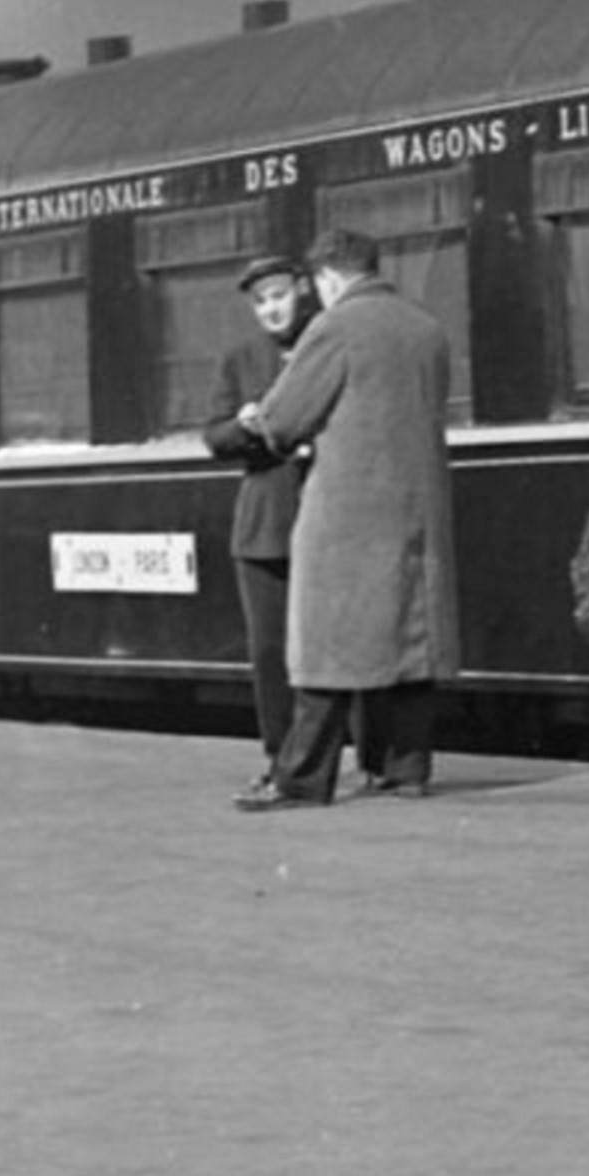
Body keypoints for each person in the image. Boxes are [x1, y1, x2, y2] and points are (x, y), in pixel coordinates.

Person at [229, 227, 461, 811]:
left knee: (325, 643)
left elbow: (283, 421)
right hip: (419, 507)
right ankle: (407, 770)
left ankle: (303, 778)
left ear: (330, 277)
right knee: (411, 637)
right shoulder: (426, 329)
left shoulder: (334, 327)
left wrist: (257, 418)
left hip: (346, 514)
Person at [199, 252, 315, 793]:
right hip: (265, 523)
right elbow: (214, 436)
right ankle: (282, 761)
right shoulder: (240, 358)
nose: (271, 309)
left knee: (329, 647)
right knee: (270, 652)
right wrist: (245, 425)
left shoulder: (326, 342)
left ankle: (349, 759)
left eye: (279, 296)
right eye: (260, 301)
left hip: (322, 514)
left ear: (303, 289)